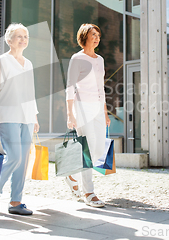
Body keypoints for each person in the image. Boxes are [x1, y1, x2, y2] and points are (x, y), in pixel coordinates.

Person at [0, 23, 40, 215]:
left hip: (27, 116)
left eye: (26, 36)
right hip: (7, 115)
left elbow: (31, 92)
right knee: (14, 156)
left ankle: (16, 202)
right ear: (9, 40)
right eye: (19, 36)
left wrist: (35, 116)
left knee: (22, 161)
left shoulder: (29, 63)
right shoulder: (2, 61)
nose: (23, 39)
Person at [65, 23, 111, 208]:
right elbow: (70, 87)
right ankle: (89, 192)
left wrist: (105, 111)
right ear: (84, 36)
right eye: (93, 34)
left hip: (98, 108)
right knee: (87, 150)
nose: (97, 37)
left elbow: (101, 87)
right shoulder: (77, 58)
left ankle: (72, 174)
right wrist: (70, 114)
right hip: (82, 107)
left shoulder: (99, 59)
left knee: (99, 150)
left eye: (98, 34)